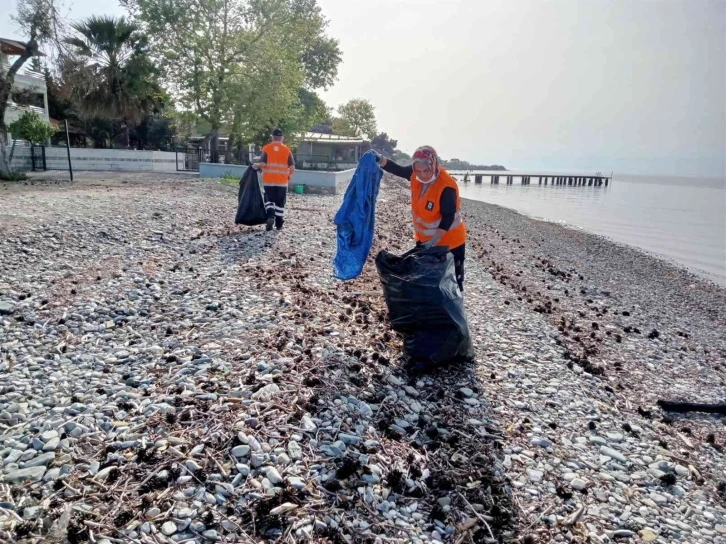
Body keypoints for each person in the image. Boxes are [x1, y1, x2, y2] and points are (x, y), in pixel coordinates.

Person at [373, 146, 467, 292]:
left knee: (453, 281)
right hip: (425, 241)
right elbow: (397, 169)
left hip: (451, 243)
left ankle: (455, 309)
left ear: (434, 164)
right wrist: (380, 159)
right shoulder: (414, 174)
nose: (422, 175)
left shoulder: (447, 186)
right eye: (418, 171)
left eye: (426, 170)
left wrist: (434, 241)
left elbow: (448, 217)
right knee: (428, 279)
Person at [253, 128, 295, 231]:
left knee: (269, 200)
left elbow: (263, 165)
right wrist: (288, 176)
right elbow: (292, 167)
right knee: (280, 203)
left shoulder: (267, 148)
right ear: (282, 138)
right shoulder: (286, 150)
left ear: (272, 137)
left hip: (268, 181)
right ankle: (279, 224)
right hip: (282, 182)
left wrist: (255, 165)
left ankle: (270, 217)